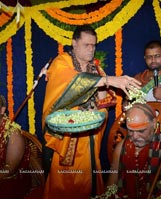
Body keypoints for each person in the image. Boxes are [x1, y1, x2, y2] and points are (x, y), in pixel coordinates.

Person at [42, 25, 141, 199]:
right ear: (74, 43)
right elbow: (73, 82)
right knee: (63, 174)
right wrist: (109, 80)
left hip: (90, 134)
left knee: (88, 174)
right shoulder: (61, 62)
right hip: (65, 134)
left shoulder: (95, 69)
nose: (91, 49)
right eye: (86, 45)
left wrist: (100, 106)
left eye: (94, 45)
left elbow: (105, 100)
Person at [106, 103, 161, 199]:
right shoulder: (121, 147)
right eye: (131, 131)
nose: (135, 137)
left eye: (141, 131)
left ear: (153, 123)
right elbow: (110, 187)